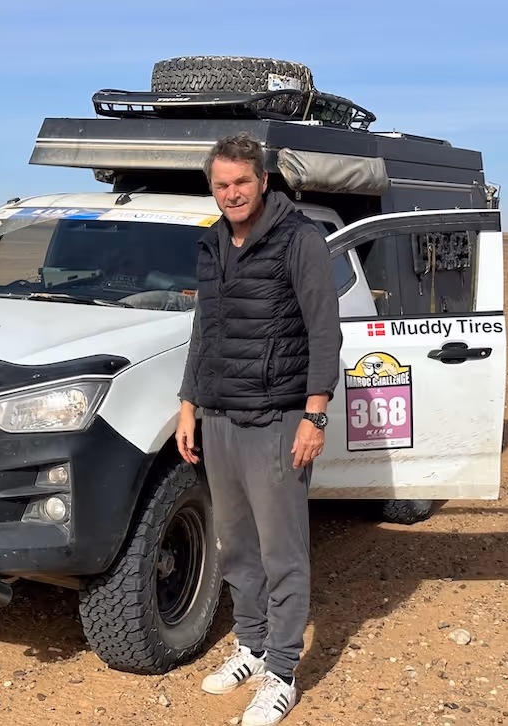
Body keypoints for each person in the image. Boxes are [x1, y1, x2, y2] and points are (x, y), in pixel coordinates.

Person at [176, 132, 342, 726]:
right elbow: (205, 329)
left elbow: (324, 330)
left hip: (277, 417)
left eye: (241, 182)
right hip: (219, 416)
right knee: (237, 545)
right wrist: (189, 405)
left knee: (281, 551)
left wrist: (314, 414)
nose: (231, 193)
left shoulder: (299, 239)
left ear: (263, 181)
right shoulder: (213, 242)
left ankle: (283, 671)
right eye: (221, 185)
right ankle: (251, 645)